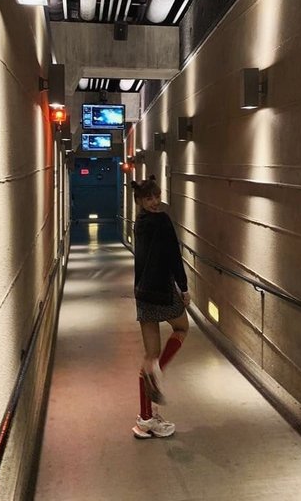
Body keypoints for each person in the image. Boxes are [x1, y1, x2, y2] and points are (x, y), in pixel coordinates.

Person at [130, 175, 191, 439]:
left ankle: (145, 420)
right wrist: (184, 287)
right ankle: (157, 372)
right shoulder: (163, 220)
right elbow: (174, 256)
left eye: (156, 196)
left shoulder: (140, 222)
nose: (155, 201)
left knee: (150, 354)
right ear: (140, 200)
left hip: (142, 293)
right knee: (182, 328)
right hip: (162, 291)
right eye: (149, 198)